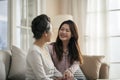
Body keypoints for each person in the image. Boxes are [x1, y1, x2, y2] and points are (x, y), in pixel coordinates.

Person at [26, 14, 63, 80]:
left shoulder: (45, 48)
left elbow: (53, 70)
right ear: (45, 33)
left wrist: (63, 77)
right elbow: (42, 78)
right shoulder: (34, 51)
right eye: (51, 30)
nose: (53, 33)